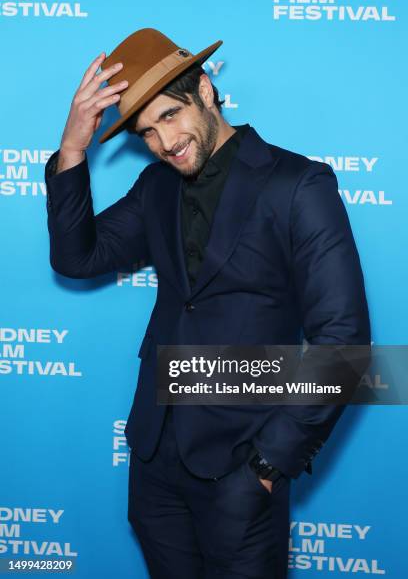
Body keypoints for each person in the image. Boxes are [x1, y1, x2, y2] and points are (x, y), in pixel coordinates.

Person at [45, 28, 371, 579]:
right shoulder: (157, 188)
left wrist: (268, 466)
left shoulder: (297, 185)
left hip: (243, 468)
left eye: (170, 116)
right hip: (156, 466)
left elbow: (344, 341)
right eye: (147, 133)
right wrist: (73, 150)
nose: (165, 143)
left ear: (205, 88)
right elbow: (78, 258)